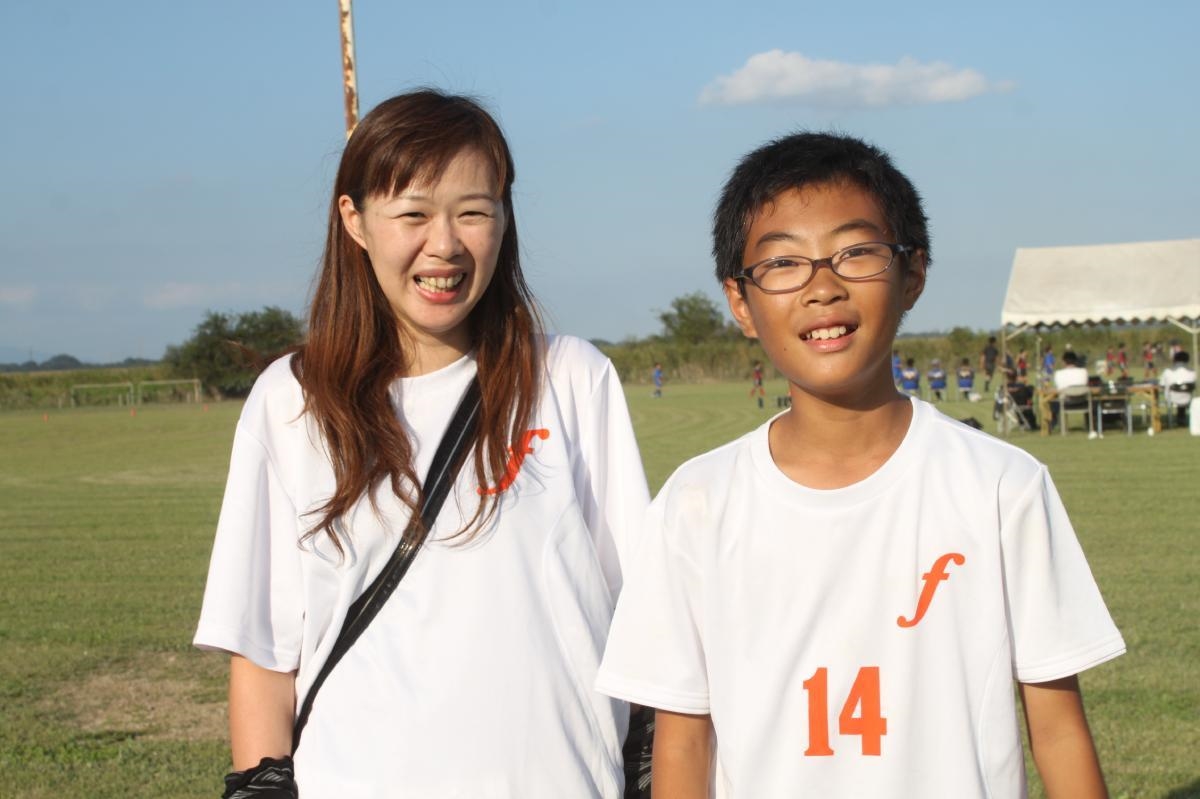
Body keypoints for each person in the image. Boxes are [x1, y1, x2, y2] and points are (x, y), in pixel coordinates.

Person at [597, 131, 1124, 798]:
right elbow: (683, 741)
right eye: (783, 262)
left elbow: (1058, 730)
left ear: (913, 275)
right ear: (740, 302)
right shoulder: (696, 502)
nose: (823, 287)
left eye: (856, 253)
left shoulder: (1001, 485)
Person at [194, 90, 650, 798]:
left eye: (473, 212)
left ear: (505, 218)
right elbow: (263, 651)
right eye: (412, 214)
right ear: (354, 220)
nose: (445, 245)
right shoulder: (293, 400)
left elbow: (642, 620)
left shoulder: (569, 376)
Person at [1051, 350, 1092, 434]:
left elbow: (1058, 388)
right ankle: (1090, 426)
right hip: (1083, 401)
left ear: (1063, 362)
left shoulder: (1058, 373)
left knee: (1051, 402)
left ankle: (1054, 425)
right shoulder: (1084, 372)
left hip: (1066, 402)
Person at [1159, 350, 1196, 427]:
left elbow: (1161, 385)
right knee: (1182, 398)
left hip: (1171, 398)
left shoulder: (1168, 371)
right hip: (1187, 398)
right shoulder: (1193, 372)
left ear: (1175, 360)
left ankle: (1177, 419)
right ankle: (1181, 418)